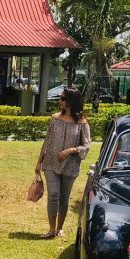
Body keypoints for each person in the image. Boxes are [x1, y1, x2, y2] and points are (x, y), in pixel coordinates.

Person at [33, 87, 90, 239]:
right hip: (51, 163)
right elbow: (47, 141)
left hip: (70, 166)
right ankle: (51, 230)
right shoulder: (55, 118)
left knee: (64, 198)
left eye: (63, 98)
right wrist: (39, 163)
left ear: (71, 101)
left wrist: (71, 150)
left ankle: (59, 228)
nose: (60, 101)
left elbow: (87, 145)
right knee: (53, 195)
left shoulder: (82, 122)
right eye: (61, 98)